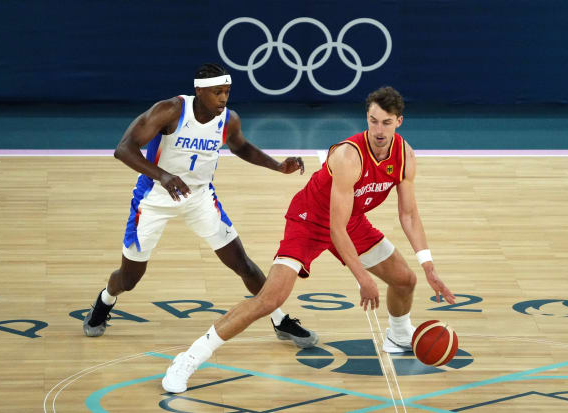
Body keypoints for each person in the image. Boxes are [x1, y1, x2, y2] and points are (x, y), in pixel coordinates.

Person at [162, 86, 456, 393]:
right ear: (366, 118)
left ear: (399, 122)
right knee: (270, 299)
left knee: (405, 280)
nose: (378, 130)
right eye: (373, 121)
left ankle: (398, 334)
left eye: (386, 122)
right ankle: (189, 358)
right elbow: (334, 229)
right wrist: (362, 278)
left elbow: (408, 214)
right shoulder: (348, 156)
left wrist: (428, 265)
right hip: (311, 220)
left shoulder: (405, 156)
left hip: (351, 220)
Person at [82, 63, 318, 349]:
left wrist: (278, 166)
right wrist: (164, 176)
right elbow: (124, 149)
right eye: (217, 92)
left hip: (200, 197)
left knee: (242, 264)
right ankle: (106, 298)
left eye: (227, 92)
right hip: (155, 197)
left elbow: (240, 145)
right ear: (199, 91)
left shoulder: (228, 119)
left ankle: (280, 320)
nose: (223, 98)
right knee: (130, 278)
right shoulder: (170, 110)